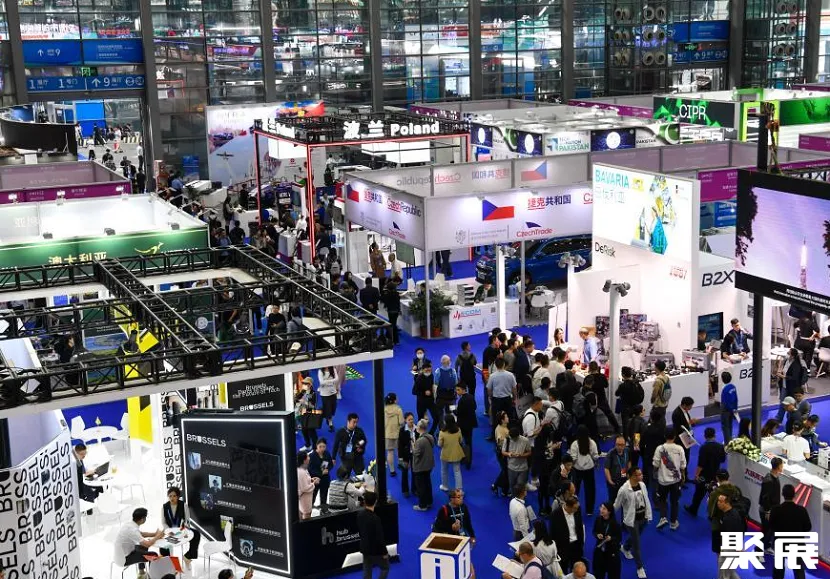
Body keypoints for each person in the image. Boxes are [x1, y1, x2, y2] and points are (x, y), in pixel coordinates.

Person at [769, 484, 813, 579]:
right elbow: (808, 527)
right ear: (794, 495)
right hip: (796, 544)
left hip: (780, 544)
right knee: (798, 570)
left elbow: (771, 526)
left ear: (782, 494)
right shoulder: (801, 510)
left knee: (778, 570)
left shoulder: (776, 510)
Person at [615, 467, 651, 579]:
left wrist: (648, 515)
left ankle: (625, 547)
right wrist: (608, 515)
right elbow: (617, 504)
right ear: (631, 476)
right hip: (632, 520)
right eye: (638, 474)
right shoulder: (623, 490)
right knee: (637, 544)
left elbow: (646, 500)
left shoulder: (642, 485)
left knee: (636, 536)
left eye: (641, 474)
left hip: (643, 518)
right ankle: (640, 568)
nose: (641, 476)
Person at [685, 427, 726, 517]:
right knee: (714, 494)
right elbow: (723, 460)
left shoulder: (704, 448)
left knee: (699, 493)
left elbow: (701, 464)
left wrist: (696, 475)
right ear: (714, 435)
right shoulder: (720, 446)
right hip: (715, 474)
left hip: (704, 475)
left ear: (705, 436)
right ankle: (716, 513)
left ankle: (693, 509)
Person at [652, 428, 685, 531]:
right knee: (674, 502)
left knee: (662, 500)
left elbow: (656, 464)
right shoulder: (679, 448)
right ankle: (673, 523)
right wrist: (683, 476)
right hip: (676, 481)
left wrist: (655, 474)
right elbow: (683, 465)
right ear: (675, 437)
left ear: (664, 436)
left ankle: (663, 518)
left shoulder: (659, 449)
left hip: (663, 481)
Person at [160, 487, 201, 565]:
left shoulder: (183, 505)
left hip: (181, 529)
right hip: (169, 530)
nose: (172, 498)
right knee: (163, 544)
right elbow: (163, 523)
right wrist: (169, 531)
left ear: (178, 496)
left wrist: (184, 528)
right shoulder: (164, 507)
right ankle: (167, 563)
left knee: (196, 534)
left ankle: (188, 556)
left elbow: (187, 520)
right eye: (170, 496)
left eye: (174, 496)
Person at [116, 508, 163, 572]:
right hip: (124, 559)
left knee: (141, 547)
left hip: (122, 554)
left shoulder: (129, 524)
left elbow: (141, 534)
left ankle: (141, 572)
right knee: (153, 555)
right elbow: (147, 544)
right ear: (142, 519)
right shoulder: (133, 530)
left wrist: (155, 534)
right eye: (146, 517)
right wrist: (158, 536)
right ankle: (153, 575)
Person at [357, 491, 390, 579]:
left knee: (367, 570)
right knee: (385, 568)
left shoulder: (360, 515)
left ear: (364, 502)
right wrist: (385, 552)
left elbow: (360, 531)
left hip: (365, 548)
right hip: (376, 550)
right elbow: (380, 538)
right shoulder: (375, 519)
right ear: (375, 502)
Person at [549, 496, 585, 573]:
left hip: (576, 546)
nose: (576, 510)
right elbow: (552, 533)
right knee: (563, 570)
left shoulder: (577, 510)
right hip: (563, 548)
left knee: (576, 569)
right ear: (568, 506)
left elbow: (580, 528)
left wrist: (581, 544)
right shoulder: (555, 514)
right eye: (575, 508)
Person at [570, 424, 599, 515]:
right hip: (589, 470)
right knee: (590, 490)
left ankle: (573, 507)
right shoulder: (592, 443)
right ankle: (589, 510)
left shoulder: (574, 444)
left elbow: (573, 459)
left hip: (577, 470)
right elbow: (595, 456)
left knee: (574, 490)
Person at [715, 492, 745, 579]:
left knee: (724, 575)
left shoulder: (730, 519)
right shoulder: (732, 512)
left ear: (727, 503)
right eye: (718, 501)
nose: (718, 503)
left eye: (720, 501)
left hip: (729, 549)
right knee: (730, 572)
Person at [759, 456, 783, 553]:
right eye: (782, 465)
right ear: (778, 467)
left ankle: (767, 546)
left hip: (773, 509)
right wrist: (768, 511)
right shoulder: (769, 480)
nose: (783, 467)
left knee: (770, 530)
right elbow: (765, 498)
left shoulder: (775, 477)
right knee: (766, 531)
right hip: (767, 510)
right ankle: (759, 549)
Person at [587, 361, 620, 433]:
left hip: (592, 399)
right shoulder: (602, 376)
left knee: (592, 416)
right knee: (609, 413)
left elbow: (586, 388)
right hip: (602, 397)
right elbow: (606, 385)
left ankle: (593, 432)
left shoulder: (588, 378)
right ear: (597, 367)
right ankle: (617, 428)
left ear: (590, 368)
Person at [489, 357, 518, 437]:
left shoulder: (492, 376)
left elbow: (489, 389)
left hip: (496, 400)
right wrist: (514, 398)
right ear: (504, 364)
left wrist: (491, 397)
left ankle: (494, 435)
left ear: (495, 365)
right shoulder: (510, 375)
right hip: (507, 399)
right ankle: (510, 434)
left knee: (496, 418)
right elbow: (514, 388)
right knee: (508, 417)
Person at [777, 349, 808, 422]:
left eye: (788, 353)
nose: (787, 354)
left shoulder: (796, 365)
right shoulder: (786, 361)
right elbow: (785, 371)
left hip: (792, 387)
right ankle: (778, 419)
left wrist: (783, 376)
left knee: (791, 405)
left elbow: (794, 377)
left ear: (792, 356)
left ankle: (791, 419)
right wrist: (780, 372)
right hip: (784, 386)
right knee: (782, 403)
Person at [592, 502, 622, 579]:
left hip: (611, 553)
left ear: (609, 512)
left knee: (613, 575)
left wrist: (611, 538)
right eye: (601, 507)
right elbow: (594, 531)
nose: (601, 510)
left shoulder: (616, 524)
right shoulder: (598, 520)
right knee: (598, 574)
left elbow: (619, 538)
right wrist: (597, 535)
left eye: (604, 508)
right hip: (600, 552)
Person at [412, 419, 435, 511]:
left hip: (421, 466)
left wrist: (413, 446)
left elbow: (416, 453)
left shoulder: (420, 441)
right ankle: (429, 501)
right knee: (427, 484)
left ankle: (422, 505)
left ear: (420, 428)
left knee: (421, 486)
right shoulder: (430, 437)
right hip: (429, 465)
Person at [670, 396, 695, 481]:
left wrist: (691, 423)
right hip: (681, 439)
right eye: (690, 406)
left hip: (687, 437)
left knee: (686, 458)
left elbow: (687, 423)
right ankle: (680, 479)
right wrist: (689, 425)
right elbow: (678, 428)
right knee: (681, 460)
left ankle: (685, 477)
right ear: (684, 405)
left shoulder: (685, 411)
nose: (691, 408)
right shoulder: (676, 414)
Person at [438, 414, 465, 492]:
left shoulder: (442, 432)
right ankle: (459, 489)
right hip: (456, 453)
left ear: (445, 422)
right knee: (457, 471)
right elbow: (461, 441)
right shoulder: (458, 430)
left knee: (444, 470)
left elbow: (439, 444)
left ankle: (445, 486)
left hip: (445, 454)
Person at [641, 407, 665, 488]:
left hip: (648, 453)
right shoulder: (663, 429)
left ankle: (646, 485)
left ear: (651, 418)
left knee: (646, 470)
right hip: (660, 453)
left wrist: (642, 452)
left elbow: (642, 442)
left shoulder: (647, 429)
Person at [503, 425, 533, 492]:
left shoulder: (525, 440)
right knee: (512, 486)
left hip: (523, 468)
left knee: (521, 486)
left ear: (518, 436)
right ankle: (514, 497)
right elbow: (503, 452)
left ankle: (521, 497)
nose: (513, 439)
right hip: (511, 467)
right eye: (511, 438)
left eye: (514, 438)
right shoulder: (507, 439)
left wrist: (521, 455)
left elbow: (529, 452)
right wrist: (509, 454)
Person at [455, 383, 477, 469]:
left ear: (463, 389)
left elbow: (459, 413)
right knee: (469, 442)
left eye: (458, 390)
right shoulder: (471, 397)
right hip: (470, 423)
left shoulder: (461, 400)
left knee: (461, 441)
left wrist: (454, 410)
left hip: (463, 424)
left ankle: (463, 458)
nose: (457, 392)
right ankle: (469, 461)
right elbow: (475, 407)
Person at [604, 435, 631, 505]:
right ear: (615, 444)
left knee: (625, 501)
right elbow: (606, 468)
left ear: (625, 445)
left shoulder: (627, 451)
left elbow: (629, 462)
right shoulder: (610, 453)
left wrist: (629, 474)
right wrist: (610, 481)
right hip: (614, 481)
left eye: (622, 445)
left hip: (624, 480)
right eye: (618, 444)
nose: (620, 447)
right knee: (612, 501)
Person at [309, 438, 333, 514]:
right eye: (320, 446)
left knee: (324, 496)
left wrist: (328, 469)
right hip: (315, 479)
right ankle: (308, 511)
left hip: (325, 479)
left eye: (324, 447)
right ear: (316, 446)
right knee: (312, 496)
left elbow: (331, 464)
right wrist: (321, 473)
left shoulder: (327, 454)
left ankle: (323, 510)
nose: (322, 449)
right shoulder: (312, 456)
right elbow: (310, 469)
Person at [398, 412, 418, 497]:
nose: (411, 421)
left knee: (415, 472)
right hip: (405, 454)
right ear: (405, 420)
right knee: (404, 472)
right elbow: (400, 445)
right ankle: (405, 490)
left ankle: (414, 489)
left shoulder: (417, 428)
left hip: (415, 454)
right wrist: (400, 457)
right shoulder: (402, 430)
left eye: (412, 419)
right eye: (409, 419)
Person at [383, 393, 404, 478]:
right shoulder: (398, 409)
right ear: (394, 400)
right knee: (400, 450)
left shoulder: (384, 409)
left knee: (390, 452)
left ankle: (392, 470)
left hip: (387, 434)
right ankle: (400, 464)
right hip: (398, 434)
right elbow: (401, 422)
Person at [296, 377, 318, 451]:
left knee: (312, 433)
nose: (304, 384)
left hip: (310, 415)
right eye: (304, 383)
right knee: (304, 431)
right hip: (302, 414)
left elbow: (313, 406)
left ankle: (315, 448)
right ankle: (308, 445)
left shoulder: (313, 393)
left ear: (310, 384)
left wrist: (305, 402)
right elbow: (297, 399)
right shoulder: (303, 391)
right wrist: (299, 397)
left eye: (306, 383)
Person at [433, 355, 458, 420]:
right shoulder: (453, 371)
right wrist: (456, 394)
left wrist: (434, 396)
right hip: (450, 396)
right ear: (449, 362)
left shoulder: (438, 371)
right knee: (451, 411)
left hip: (442, 396)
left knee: (440, 413)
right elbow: (456, 383)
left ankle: (442, 425)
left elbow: (435, 385)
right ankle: (450, 424)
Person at [297, 450, 319, 520]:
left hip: (304, 498)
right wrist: (314, 483)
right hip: (305, 499)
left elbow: (303, 482)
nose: (309, 458)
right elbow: (305, 488)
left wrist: (311, 480)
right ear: (304, 460)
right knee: (306, 516)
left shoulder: (302, 469)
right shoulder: (302, 472)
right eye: (308, 456)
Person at [318, 366, 339, 432]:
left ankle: (327, 417)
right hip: (325, 394)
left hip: (333, 392)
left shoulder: (333, 369)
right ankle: (330, 424)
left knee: (333, 408)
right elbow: (321, 382)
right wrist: (332, 380)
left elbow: (337, 379)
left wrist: (326, 381)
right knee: (328, 410)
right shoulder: (320, 371)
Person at [719, 371, 738, 443]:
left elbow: (725, 402)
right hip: (732, 408)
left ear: (722, 379)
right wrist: (735, 408)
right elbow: (736, 398)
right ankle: (730, 439)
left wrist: (728, 409)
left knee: (725, 426)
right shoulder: (733, 387)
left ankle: (728, 443)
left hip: (726, 409)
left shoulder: (724, 389)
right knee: (730, 424)